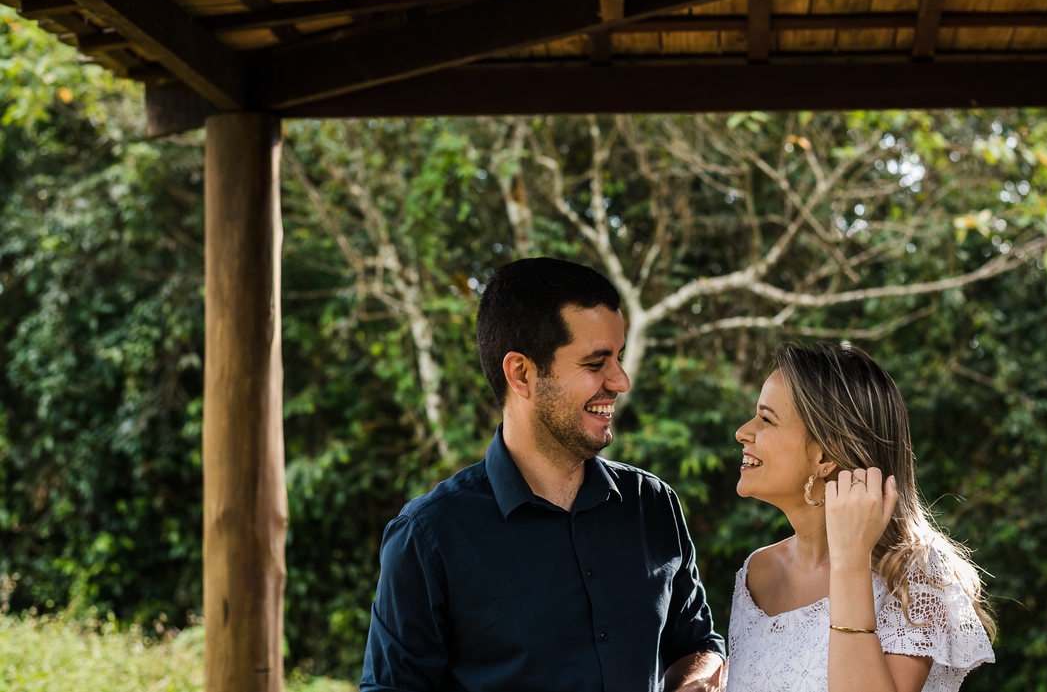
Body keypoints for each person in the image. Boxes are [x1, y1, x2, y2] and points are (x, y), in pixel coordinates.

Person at [361, 257, 726, 692]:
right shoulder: (427, 538)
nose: (621, 381)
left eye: (619, 358)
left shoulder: (654, 505)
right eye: (596, 363)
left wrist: (697, 680)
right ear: (521, 373)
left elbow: (699, 645)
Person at [726, 341, 995, 692]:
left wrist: (850, 564)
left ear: (825, 456)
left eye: (766, 419)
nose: (742, 432)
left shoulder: (914, 576)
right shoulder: (756, 574)